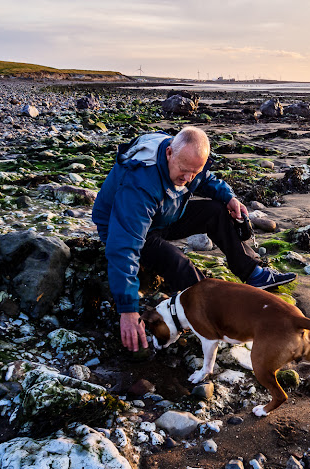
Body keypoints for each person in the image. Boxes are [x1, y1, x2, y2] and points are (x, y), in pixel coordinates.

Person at [92, 127, 296, 352]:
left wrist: (229, 197)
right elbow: (123, 246)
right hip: (121, 227)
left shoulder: (185, 157)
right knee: (179, 263)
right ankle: (214, 316)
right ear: (169, 153)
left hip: (163, 216)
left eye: (193, 172)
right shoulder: (140, 183)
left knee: (217, 211)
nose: (188, 178)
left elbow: (205, 179)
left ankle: (253, 273)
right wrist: (127, 310)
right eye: (183, 170)